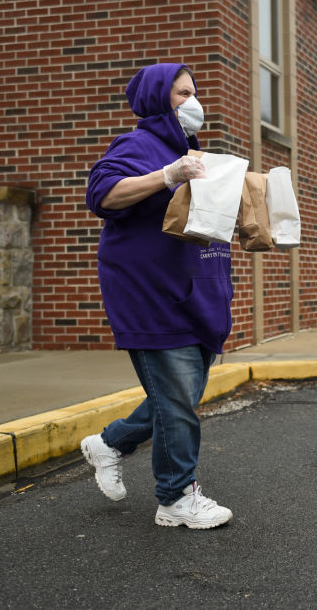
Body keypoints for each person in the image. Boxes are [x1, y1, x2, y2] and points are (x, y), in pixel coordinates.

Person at [81, 62, 234, 529]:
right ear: (156, 99)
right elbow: (102, 194)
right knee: (177, 400)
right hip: (152, 294)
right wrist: (167, 174)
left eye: (194, 93)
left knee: (177, 396)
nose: (194, 103)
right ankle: (175, 499)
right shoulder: (138, 146)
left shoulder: (190, 151)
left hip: (196, 293)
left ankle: (109, 443)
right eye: (182, 93)